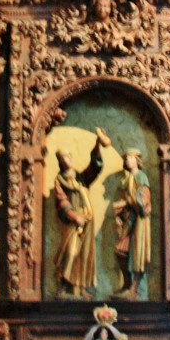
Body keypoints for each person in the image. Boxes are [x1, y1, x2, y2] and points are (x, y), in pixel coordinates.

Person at [53, 127, 111, 299]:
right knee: (70, 252)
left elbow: (94, 168)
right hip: (72, 221)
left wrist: (98, 145)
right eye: (63, 158)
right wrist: (74, 216)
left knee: (85, 253)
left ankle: (81, 288)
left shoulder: (80, 177)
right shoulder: (60, 180)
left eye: (68, 156)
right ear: (60, 161)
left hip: (87, 218)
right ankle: (63, 287)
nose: (67, 160)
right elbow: (61, 201)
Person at [112, 149, 151, 300]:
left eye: (129, 157)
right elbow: (126, 201)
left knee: (137, 254)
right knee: (120, 250)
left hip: (139, 220)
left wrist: (129, 199)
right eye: (126, 158)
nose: (127, 160)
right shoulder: (127, 179)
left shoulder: (141, 176)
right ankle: (127, 285)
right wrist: (119, 216)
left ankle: (134, 289)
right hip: (129, 219)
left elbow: (144, 198)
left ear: (136, 160)